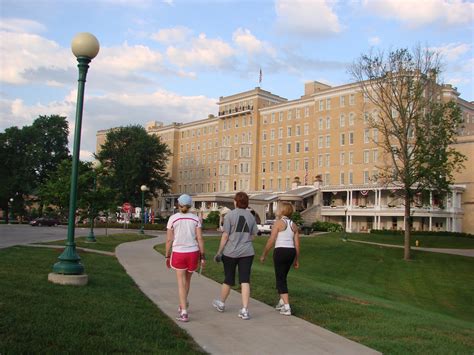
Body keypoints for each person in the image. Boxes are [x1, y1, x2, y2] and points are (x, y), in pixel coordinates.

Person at [212, 192, 258, 320]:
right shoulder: (251, 216)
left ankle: (221, 303)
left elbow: (225, 235)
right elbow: (253, 235)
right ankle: (244, 309)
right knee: (245, 280)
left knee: (228, 279)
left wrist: (219, 252)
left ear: (236, 202)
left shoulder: (229, 216)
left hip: (230, 252)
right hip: (247, 252)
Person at [165, 194, 205, 322]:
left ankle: (184, 312)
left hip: (179, 252)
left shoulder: (173, 218)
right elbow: (199, 238)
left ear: (178, 205)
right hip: (193, 252)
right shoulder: (196, 219)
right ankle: (182, 304)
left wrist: (167, 255)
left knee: (180, 283)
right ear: (190, 205)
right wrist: (202, 256)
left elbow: (169, 239)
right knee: (187, 281)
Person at [259, 202, 300, 316]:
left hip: (281, 251)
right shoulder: (294, 225)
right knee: (283, 277)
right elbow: (297, 245)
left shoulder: (278, 223)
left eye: (278, 208)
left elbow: (271, 240)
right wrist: (296, 260)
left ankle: (287, 307)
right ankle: (282, 302)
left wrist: (264, 254)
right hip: (291, 252)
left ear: (282, 211)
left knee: (280, 279)